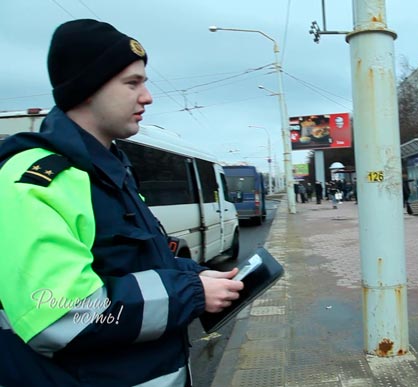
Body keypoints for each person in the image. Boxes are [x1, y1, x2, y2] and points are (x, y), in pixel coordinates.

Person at [0, 19, 244, 386]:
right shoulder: (34, 181)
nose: (147, 96)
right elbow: (60, 313)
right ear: (87, 89)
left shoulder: (109, 173)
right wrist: (191, 293)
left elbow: (133, 263)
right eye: (132, 83)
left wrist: (193, 275)